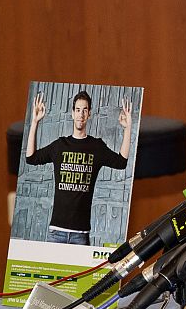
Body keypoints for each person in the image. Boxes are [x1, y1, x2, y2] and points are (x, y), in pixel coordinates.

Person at [25, 90, 132, 245]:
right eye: (77, 110)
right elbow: (31, 158)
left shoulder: (96, 147)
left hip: (80, 235)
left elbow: (121, 162)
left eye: (85, 110)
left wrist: (127, 128)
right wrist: (34, 122)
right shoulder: (60, 146)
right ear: (72, 114)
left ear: (89, 114)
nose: (81, 114)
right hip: (56, 233)